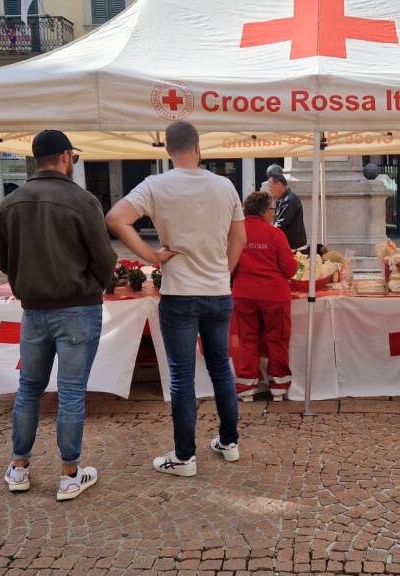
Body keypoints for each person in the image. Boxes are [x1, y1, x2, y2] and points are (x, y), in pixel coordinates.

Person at [107, 121, 246, 478]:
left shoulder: (156, 185)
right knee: (221, 367)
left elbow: (116, 219)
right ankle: (229, 443)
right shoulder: (225, 185)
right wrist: (224, 274)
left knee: (182, 376)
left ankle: (185, 457)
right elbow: (239, 240)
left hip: (180, 293)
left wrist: (151, 256)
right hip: (217, 291)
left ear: (167, 151)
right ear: (199, 147)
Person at [0, 130, 117, 500]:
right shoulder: (82, 201)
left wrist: (23, 282)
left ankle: (19, 468)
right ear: (66, 157)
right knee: (71, 391)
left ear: (36, 160)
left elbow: (3, 260)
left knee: (29, 389)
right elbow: (104, 257)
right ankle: (69, 474)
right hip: (77, 306)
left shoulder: (11, 203)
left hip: (34, 309)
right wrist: (93, 285)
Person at [232, 191, 298, 402]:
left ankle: (246, 387)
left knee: (247, 339)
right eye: (272, 209)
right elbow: (290, 269)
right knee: (277, 339)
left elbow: (229, 265)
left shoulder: (235, 233)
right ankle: (278, 387)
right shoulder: (275, 234)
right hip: (273, 294)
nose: (274, 213)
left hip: (243, 293)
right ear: (263, 211)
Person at [268, 172, 307, 250]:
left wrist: (265, 233)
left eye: (271, 187)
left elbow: (280, 224)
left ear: (278, 184)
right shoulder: (284, 199)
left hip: (293, 246)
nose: (270, 190)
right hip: (290, 245)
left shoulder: (289, 200)